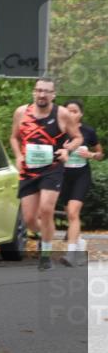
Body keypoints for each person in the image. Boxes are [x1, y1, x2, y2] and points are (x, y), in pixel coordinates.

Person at [9, 78, 83, 270]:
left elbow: (77, 137)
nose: (42, 95)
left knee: (46, 209)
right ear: (34, 92)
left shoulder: (62, 114)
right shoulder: (21, 112)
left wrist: (68, 150)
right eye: (39, 90)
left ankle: (46, 256)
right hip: (28, 169)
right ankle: (48, 235)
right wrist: (17, 156)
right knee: (29, 219)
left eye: (46, 91)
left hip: (52, 167)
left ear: (53, 94)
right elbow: (14, 137)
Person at [59, 99, 103, 266]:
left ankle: (71, 255)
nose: (71, 114)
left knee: (72, 213)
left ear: (81, 114)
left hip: (81, 175)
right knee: (70, 216)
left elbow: (100, 154)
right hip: (63, 176)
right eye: (68, 110)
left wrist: (91, 155)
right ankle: (80, 243)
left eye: (75, 111)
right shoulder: (59, 131)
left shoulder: (88, 131)